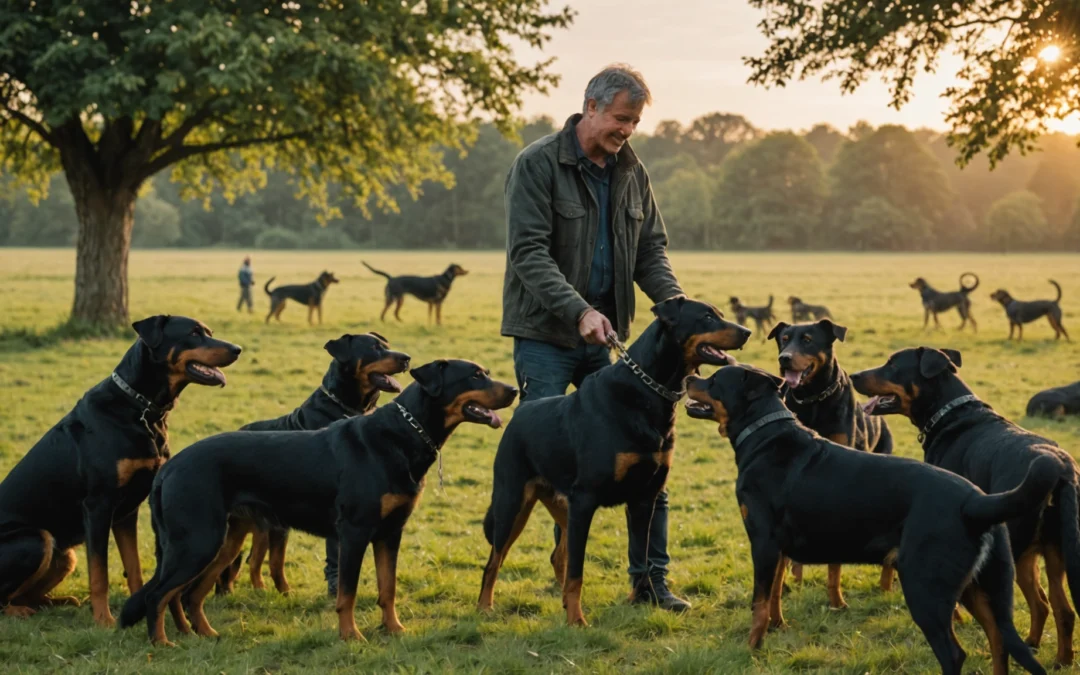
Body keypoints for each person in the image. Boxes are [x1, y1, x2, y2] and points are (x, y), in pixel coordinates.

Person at [500, 64, 689, 611]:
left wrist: (674, 308)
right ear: (591, 106)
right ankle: (557, 579)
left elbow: (651, 251)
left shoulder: (633, 172)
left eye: (634, 121)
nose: (627, 130)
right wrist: (579, 310)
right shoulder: (537, 164)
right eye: (621, 118)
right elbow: (528, 254)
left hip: (613, 342)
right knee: (550, 465)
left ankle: (650, 582)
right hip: (546, 335)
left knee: (650, 460)